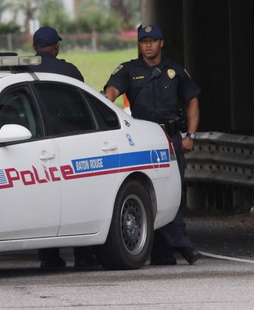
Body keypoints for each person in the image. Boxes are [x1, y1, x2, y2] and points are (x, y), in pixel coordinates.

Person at [103, 24, 202, 265]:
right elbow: (110, 92)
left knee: (173, 194)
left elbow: (192, 101)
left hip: (171, 140)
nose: (147, 44)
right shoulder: (128, 70)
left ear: (161, 43)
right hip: (144, 141)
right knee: (150, 192)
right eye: (143, 40)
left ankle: (163, 251)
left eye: (152, 40)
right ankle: (182, 246)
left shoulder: (174, 70)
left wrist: (191, 135)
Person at [29, 26, 96, 269]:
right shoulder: (70, 71)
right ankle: (84, 256)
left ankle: (49, 257)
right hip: (72, 143)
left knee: (43, 200)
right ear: (56, 47)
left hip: (35, 146)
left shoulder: (22, 70)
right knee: (80, 199)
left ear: (34, 46)